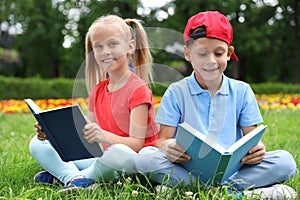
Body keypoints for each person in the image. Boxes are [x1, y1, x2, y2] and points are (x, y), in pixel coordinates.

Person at [135, 11, 297, 199]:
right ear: (187, 53)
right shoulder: (176, 92)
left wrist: (258, 149)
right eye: (202, 53)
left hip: (233, 170)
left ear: (229, 53)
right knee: (146, 157)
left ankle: (191, 190)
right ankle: (239, 193)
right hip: (187, 167)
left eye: (218, 53)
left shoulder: (242, 91)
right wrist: (169, 146)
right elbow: (162, 141)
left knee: (285, 162)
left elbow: (252, 140)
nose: (210, 61)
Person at [29, 15, 158, 191]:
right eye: (98, 46)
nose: (105, 51)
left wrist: (104, 136)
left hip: (132, 163)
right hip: (104, 159)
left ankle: (71, 176)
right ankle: (75, 178)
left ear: (130, 47)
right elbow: (86, 135)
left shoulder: (138, 89)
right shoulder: (98, 90)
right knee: (37, 144)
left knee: (121, 153)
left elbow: (136, 145)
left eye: (112, 44)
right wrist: (52, 132)